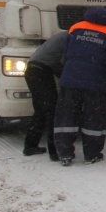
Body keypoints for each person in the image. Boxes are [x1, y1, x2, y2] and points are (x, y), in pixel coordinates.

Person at [53, 6, 106, 166]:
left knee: (67, 116)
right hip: (96, 82)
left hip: (70, 79)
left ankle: (64, 153)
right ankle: (91, 154)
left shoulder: (76, 27)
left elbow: (65, 54)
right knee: (94, 119)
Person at [23, 31, 68, 161]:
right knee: (52, 110)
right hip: (41, 71)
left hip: (33, 69)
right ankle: (55, 151)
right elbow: (64, 61)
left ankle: (30, 145)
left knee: (41, 110)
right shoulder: (70, 38)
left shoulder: (62, 35)